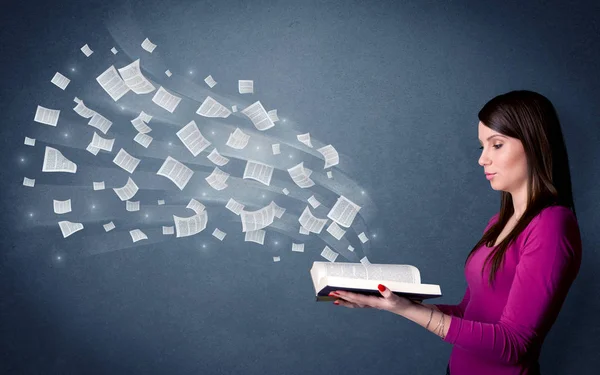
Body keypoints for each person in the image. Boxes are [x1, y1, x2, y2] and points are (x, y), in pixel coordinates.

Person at [330, 90, 582, 375]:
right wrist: (390, 303)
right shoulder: (498, 222)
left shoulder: (552, 224)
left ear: (535, 144)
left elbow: (514, 346)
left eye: (496, 145)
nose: (482, 160)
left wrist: (406, 309)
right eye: (481, 147)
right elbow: (471, 313)